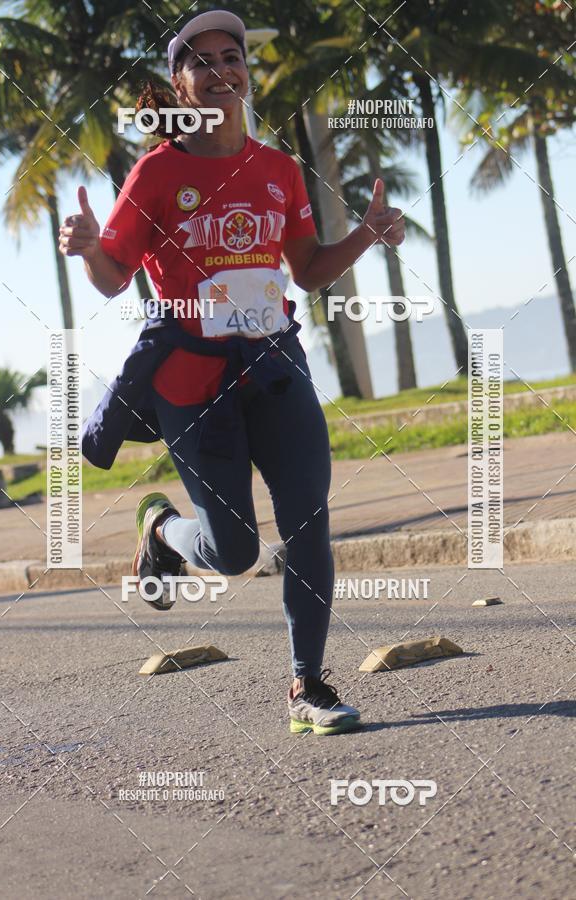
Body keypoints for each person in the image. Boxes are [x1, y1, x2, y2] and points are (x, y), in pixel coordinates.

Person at [58, 10, 405, 735]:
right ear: (179, 84)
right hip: (192, 386)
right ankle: (162, 532)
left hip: (276, 367)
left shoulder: (278, 170)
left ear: (247, 72)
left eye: (233, 57)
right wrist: (91, 247)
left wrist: (364, 237)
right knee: (237, 550)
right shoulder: (157, 173)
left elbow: (306, 271)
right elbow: (115, 278)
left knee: (310, 517)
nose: (223, 71)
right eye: (203, 61)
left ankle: (307, 686)